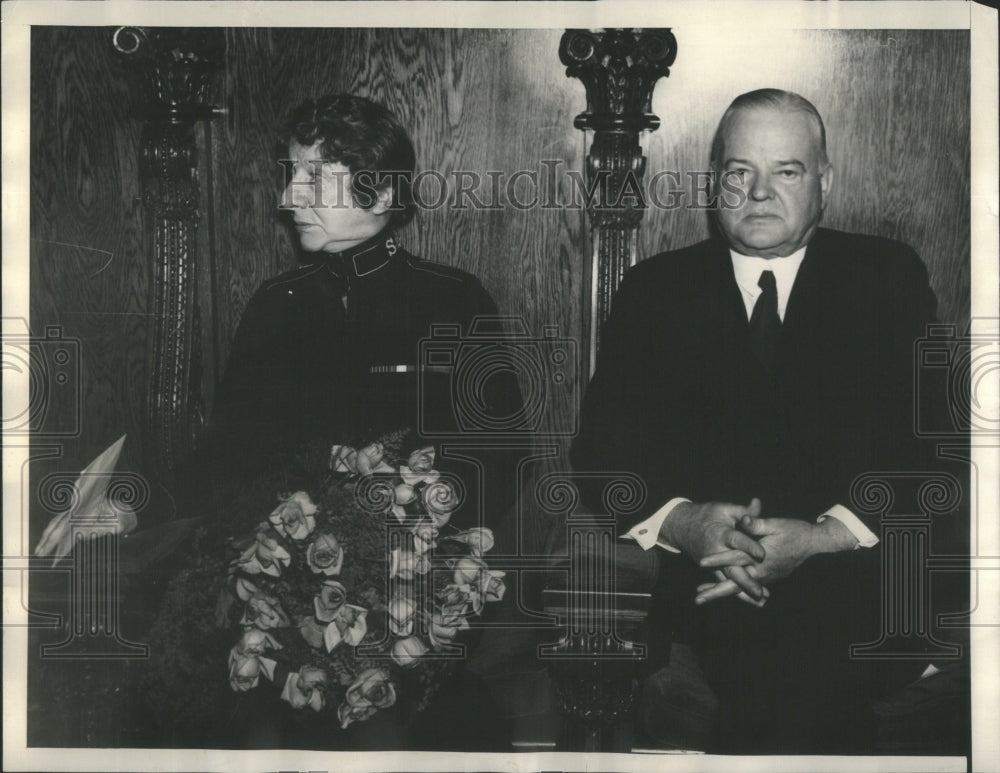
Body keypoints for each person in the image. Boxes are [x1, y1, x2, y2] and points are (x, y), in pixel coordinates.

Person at [571, 89, 967, 753]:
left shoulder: (885, 277)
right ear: (714, 182)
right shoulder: (656, 288)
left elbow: (936, 444)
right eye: (738, 172)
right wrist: (683, 520)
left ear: (824, 183)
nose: (757, 192)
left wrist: (821, 537)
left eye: (786, 171)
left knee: (805, 685)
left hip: (857, 597)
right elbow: (603, 452)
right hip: (706, 606)